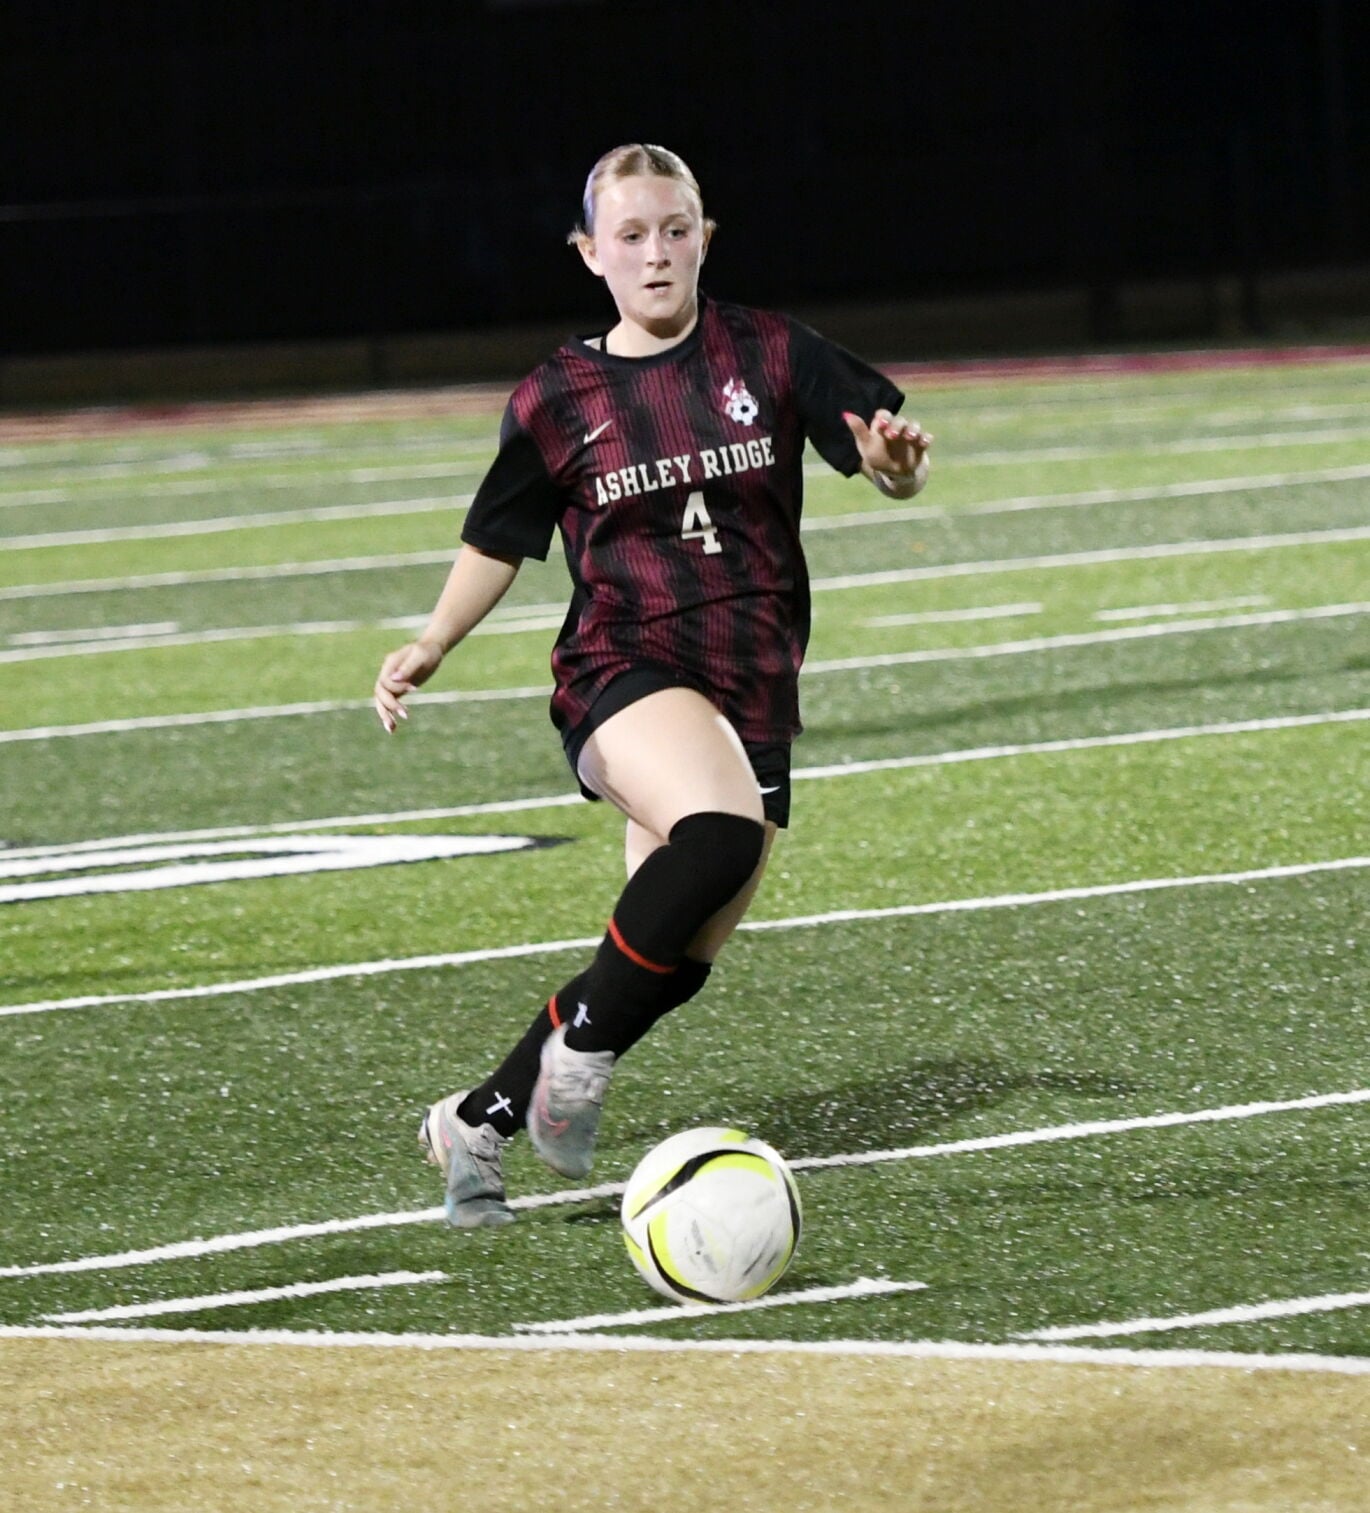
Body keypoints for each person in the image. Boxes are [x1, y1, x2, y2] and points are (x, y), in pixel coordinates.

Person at [373, 143, 932, 1228]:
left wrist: (899, 470)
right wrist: (434, 638)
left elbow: (880, 453)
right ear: (590, 253)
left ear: (704, 237)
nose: (656, 251)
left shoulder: (769, 350)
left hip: (752, 682)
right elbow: (499, 536)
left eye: (674, 229)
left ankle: (477, 1118)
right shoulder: (556, 393)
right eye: (629, 235)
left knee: (669, 958)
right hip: (622, 668)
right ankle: (577, 1051)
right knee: (716, 838)